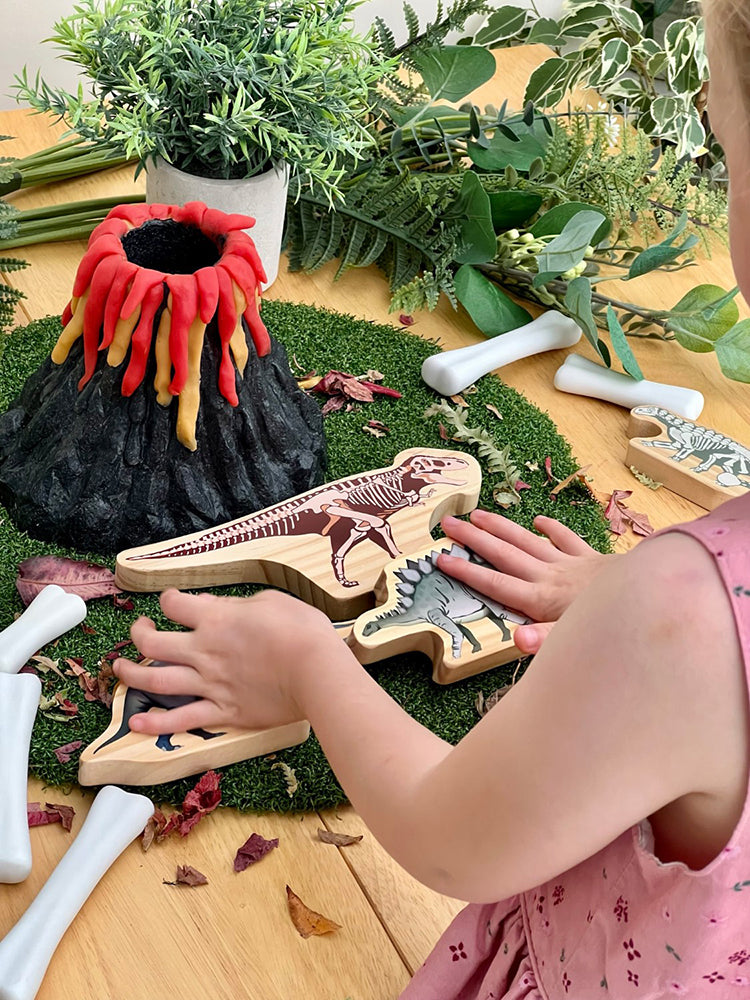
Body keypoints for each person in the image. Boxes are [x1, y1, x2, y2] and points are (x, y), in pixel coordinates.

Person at [114, 5, 750, 994]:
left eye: (720, 145)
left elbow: (456, 841)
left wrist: (303, 659)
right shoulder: (681, 616)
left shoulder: (682, 622)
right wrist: (637, 610)